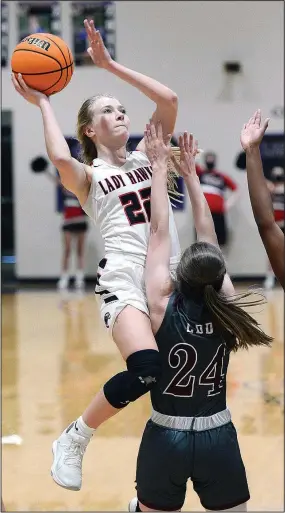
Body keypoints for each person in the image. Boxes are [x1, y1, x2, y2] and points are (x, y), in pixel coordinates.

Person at [11, 18, 180, 491]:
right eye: (109, 109)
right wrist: (44, 102)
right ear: (90, 127)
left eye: (123, 108)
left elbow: (167, 100)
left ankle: (149, 495)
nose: (121, 113)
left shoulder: (152, 154)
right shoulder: (89, 175)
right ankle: (74, 437)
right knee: (147, 370)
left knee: (179, 391)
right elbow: (62, 160)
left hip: (172, 276)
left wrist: (109, 65)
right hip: (125, 279)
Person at [128, 125, 273, 512]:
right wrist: (191, 175)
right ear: (219, 274)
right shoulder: (227, 308)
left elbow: (159, 231)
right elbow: (208, 234)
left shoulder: (162, 304)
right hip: (217, 435)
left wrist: (160, 170)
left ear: (180, 276)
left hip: (166, 436)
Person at [240, 110, 284, 290]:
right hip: (277, 219)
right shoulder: (272, 187)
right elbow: (266, 222)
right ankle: (268, 277)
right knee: (273, 246)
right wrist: (252, 151)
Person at [46, 169, 88, 290]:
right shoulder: (66, 186)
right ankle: (64, 278)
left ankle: (80, 278)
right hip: (68, 220)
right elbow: (56, 181)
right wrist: (45, 170)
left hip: (80, 220)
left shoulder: (82, 188)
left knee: (80, 251)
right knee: (67, 250)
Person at [196, 151, 239, 247]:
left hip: (218, 214)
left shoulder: (221, 176)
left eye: (212, 158)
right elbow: (191, 166)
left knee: (219, 241)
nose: (210, 160)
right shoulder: (200, 173)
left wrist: (228, 204)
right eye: (208, 158)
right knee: (202, 240)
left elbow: (236, 189)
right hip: (203, 213)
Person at [263, 167, 284, 289]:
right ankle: (270, 277)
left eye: (279, 174)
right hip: (274, 225)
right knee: (272, 252)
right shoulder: (270, 187)